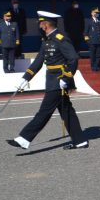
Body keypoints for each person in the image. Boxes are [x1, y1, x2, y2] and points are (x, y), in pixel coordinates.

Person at [10, 11, 88, 150]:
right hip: (52, 79)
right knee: (66, 111)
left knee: (44, 111)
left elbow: (73, 58)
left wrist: (66, 78)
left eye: (41, 23)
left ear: (46, 24)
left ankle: (24, 138)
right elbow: (39, 61)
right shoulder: (47, 40)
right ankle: (80, 140)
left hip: (59, 81)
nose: (39, 26)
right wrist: (26, 78)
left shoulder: (60, 38)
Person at [84, 7, 100, 72]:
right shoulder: (89, 21)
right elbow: (86, 32)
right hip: (92, 41)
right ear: (92, 13)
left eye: (97, 13)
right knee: (92, 55)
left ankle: (96, 66)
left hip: (99, 41)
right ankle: (93, 66)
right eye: (95, 12)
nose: (96, 14)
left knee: (98, 55)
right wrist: (88, 41)